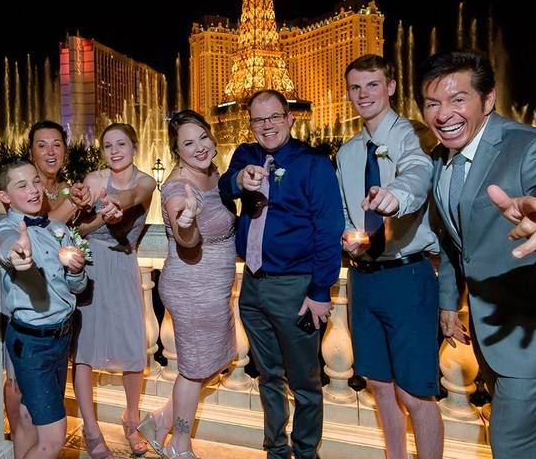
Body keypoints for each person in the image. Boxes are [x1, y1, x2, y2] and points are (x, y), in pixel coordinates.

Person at [418, 50, 536, 457]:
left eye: (458, 100)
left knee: (512, 447)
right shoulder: (440, 160)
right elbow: (457, 244)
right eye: (432, 103)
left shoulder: (529, 146)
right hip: (488, 335)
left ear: (487, 100)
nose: (443, 114)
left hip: (532, 337)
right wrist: (448, 304)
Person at [221, 90, 342, 459]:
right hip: (253, 287)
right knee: (268, 376)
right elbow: (224, 186)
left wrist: (320, 289)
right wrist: (240, 178)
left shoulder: (313, 164)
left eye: (274, 117)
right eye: (258, 120)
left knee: (305, 381)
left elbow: (328, 227)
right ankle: (275, 449)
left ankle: (305, 452)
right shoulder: (246, 154)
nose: (267, 126)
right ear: (251, 124)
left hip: (295, 286)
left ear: (290, 118)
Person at [336, 55, 443, 459]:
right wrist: (348, 236)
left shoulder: (414, 135)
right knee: (379, 387)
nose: (363, 94)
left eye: (373, 84)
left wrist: (394, 196)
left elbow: (417, 172)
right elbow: (347, 211)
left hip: (406, 278)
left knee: (415, 394)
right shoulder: (347, 152)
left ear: (391, 86)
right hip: (362, 279)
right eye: (356, 87)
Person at [137, 110, 237, 458]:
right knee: (194, 371)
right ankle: (179, 445)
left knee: (218, 359)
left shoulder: (215, 174)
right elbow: (187, 237)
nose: (199, 148)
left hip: (214, 288)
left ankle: (161, 419)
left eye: (203, 138)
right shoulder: (178, 187)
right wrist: (186, 219)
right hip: (192, 288)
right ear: (177, 152)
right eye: (188, 144)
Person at [0, 120, 88, 458]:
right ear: (5, 196)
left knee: (29, 422)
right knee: (53, 438)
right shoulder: (7, 228)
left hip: (60, 337)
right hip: (31, 342)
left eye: (35, 182)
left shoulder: (58, 229)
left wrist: (75, 270)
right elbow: (6, 247)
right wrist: (17, 257)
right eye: (21, 186)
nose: (32, 190)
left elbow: (76, 286)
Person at [72, 123, 156, 457]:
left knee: (134, 348)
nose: (115, 151)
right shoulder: (93, 180)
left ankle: (131, 418)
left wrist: (116, 204)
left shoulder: (146, 181)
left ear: (134, 146)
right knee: (84, 350)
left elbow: (133, 197)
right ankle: (91, 432)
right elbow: (78, 227)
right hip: (91, 266)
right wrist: (103, 219)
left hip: (123, 266)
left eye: (121, 144)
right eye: (108, 146)